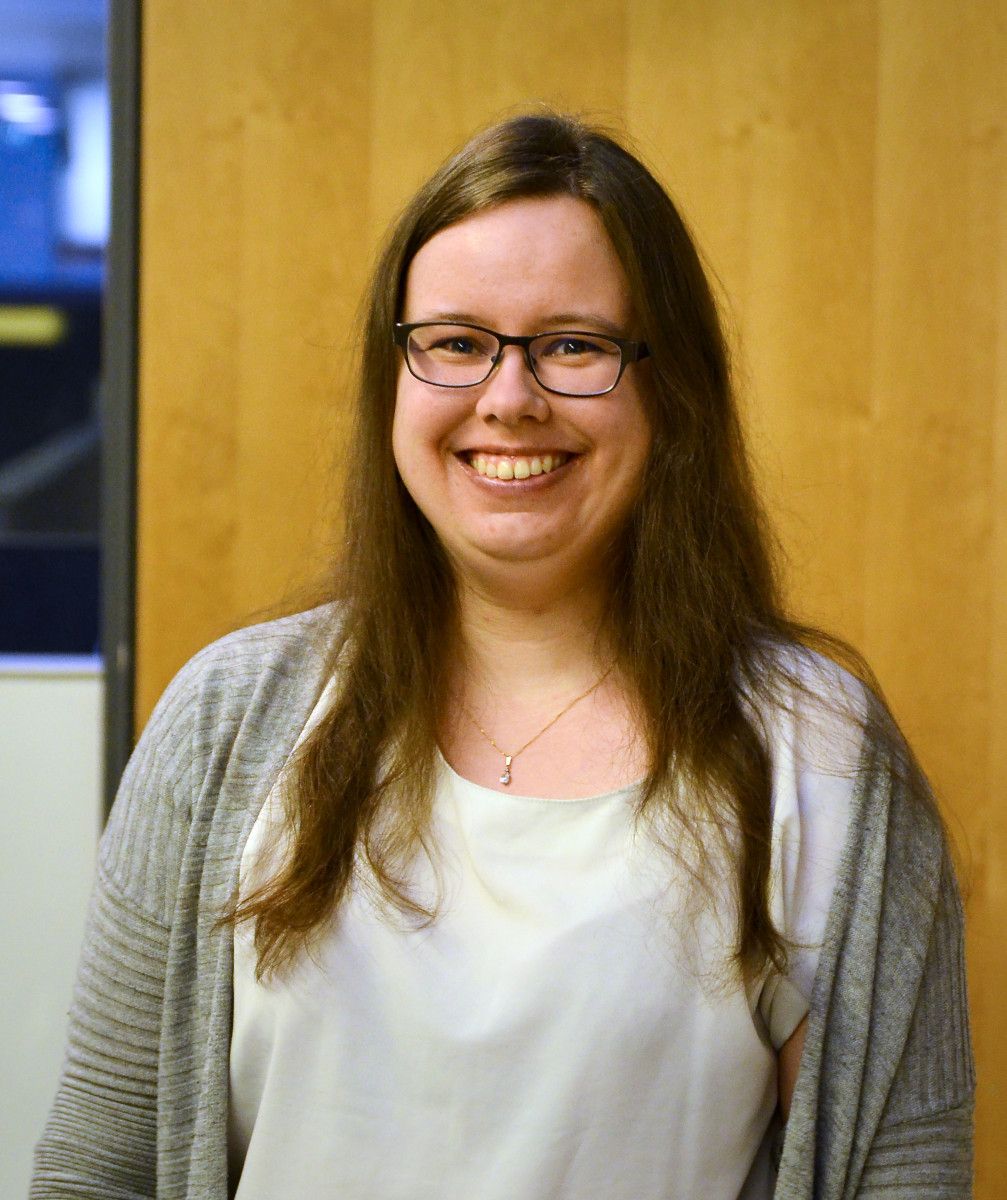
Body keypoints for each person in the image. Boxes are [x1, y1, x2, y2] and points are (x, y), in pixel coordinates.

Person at [32, 112, 973, 1199]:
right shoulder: (228, 720)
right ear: (395, 376)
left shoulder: (823, 757)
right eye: (456, 341)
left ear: (670, 393)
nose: (508, 397)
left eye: (572, 344)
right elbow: (100, 1169)